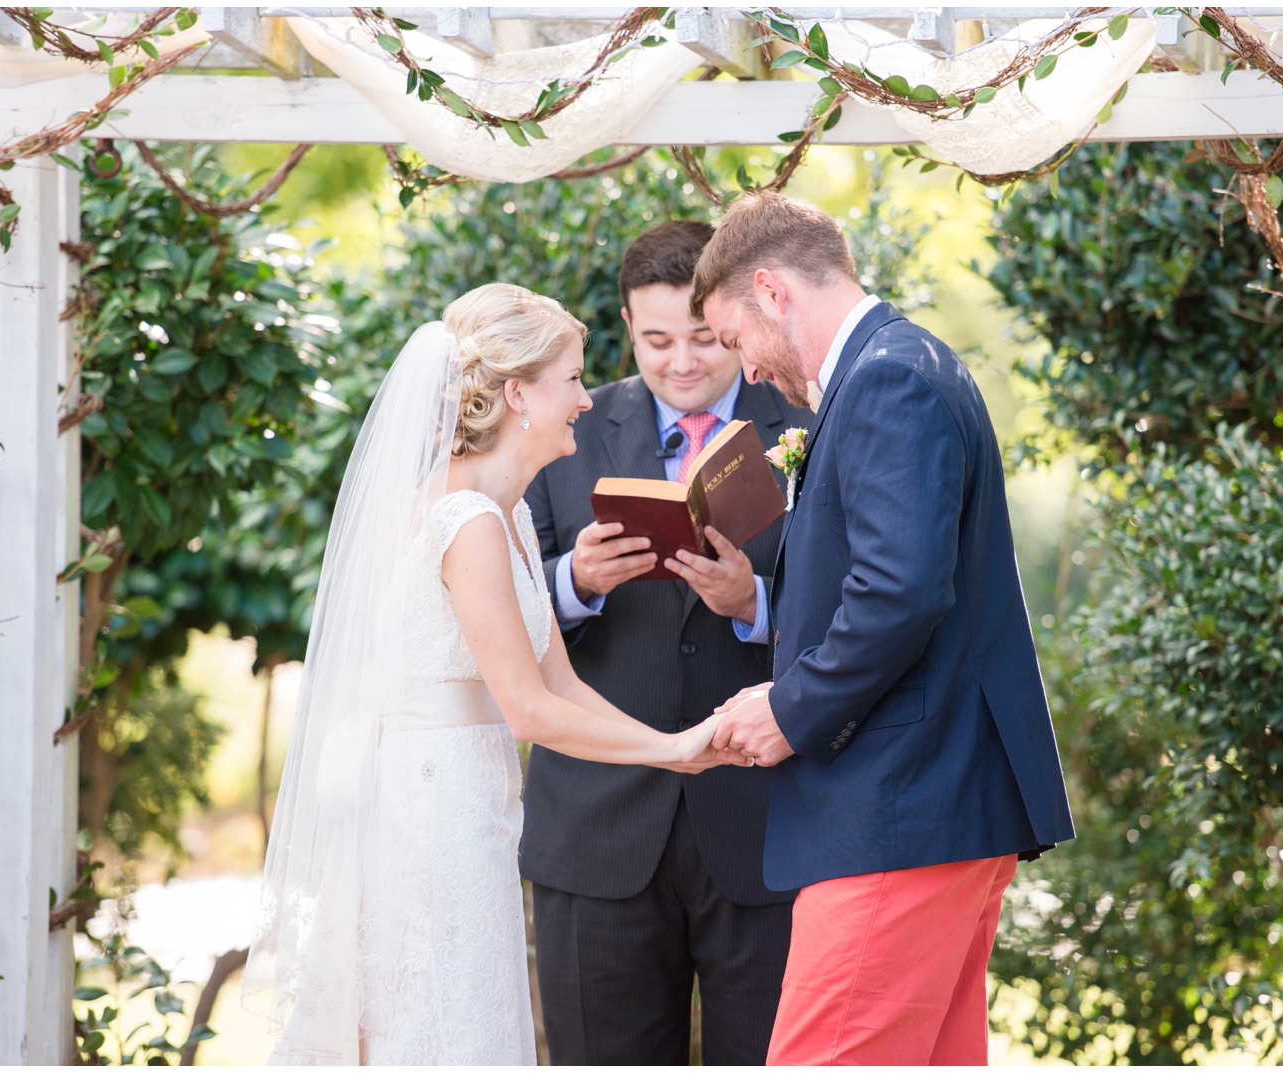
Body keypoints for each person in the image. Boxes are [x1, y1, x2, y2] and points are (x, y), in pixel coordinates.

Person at [242, 283, 747, 1066]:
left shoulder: (504, 512)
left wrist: (676, 746)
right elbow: (529, 711)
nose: (586, 399)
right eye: (572, 378)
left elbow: (563, 685)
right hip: (431, 811)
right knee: (442, 1028)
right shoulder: (467, 520)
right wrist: (674, 750)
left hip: (477, 807)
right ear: (518, 395)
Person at [694, 193, 1077, 1066]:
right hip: (931, 807)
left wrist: (788, 709)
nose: (745, 367)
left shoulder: (887, 379)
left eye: (733, 337)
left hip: (898, 807)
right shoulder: (901, 364)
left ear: (772, 291)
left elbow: (898, 591)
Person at [522, 220, 814, 1065]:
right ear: (625, 326)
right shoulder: (564, 430)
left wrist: (754, 600)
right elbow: (496, 602)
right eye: (656, 341)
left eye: (701, 338)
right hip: (597, 828)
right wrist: (574, 581)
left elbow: (856, 604)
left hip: (765, 825)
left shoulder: (805, 420)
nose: (682, 362)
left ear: (733, 319)